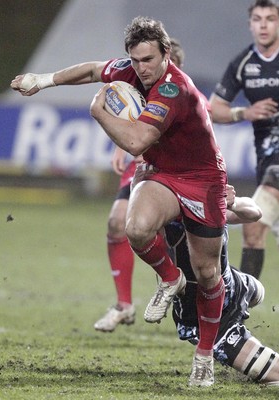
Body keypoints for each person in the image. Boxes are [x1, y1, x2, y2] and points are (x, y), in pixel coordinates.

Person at [11, 18, 227, 387]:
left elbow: (135, 143)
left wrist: (99, 112)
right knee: (135, 227)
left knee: (207, 273)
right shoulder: (130, 69)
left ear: (165, 54)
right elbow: (94, 70)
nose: (141, 68)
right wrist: (43, 80)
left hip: (203, 180)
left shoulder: (174, 88)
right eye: (135, 60)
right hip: (162, 172)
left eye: (148, 59)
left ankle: (204, 356)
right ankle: (170, 278)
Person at [209, 0, 279, 293]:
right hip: (270, 161)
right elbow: (215, 109)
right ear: (250, 24)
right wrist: (244, 113)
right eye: (258, 19)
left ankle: (237, 315)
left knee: (254, 226)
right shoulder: (242, 65)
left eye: (270, 19)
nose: (263, 25)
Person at [94, 39, 186, 333]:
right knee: (117, 222)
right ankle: (123, 305)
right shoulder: (139, 88)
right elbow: (131, 122)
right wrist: (124, 143)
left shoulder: (184, 94)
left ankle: (187, 295)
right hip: (143, 167)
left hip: (178, 173)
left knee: (189, 247)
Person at [166, 185, 279, 386]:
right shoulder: (158, 204)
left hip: (224, 293)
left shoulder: (199, 199)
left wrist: (233, 203)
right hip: (211, 304)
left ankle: (247, 293)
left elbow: (255, 212)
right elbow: (139, 228)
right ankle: (246, 302)